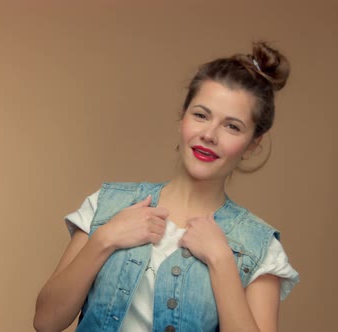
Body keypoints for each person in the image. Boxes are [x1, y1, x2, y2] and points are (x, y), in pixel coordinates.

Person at [34, 41, 299, 332]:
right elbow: (46, 322)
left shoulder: (258, 247)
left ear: (252, 145)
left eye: (232, 126)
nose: (209, 135)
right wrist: (105, 238)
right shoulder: (107, 205)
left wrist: (222, 262)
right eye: (201, 115)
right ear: (182, 118)